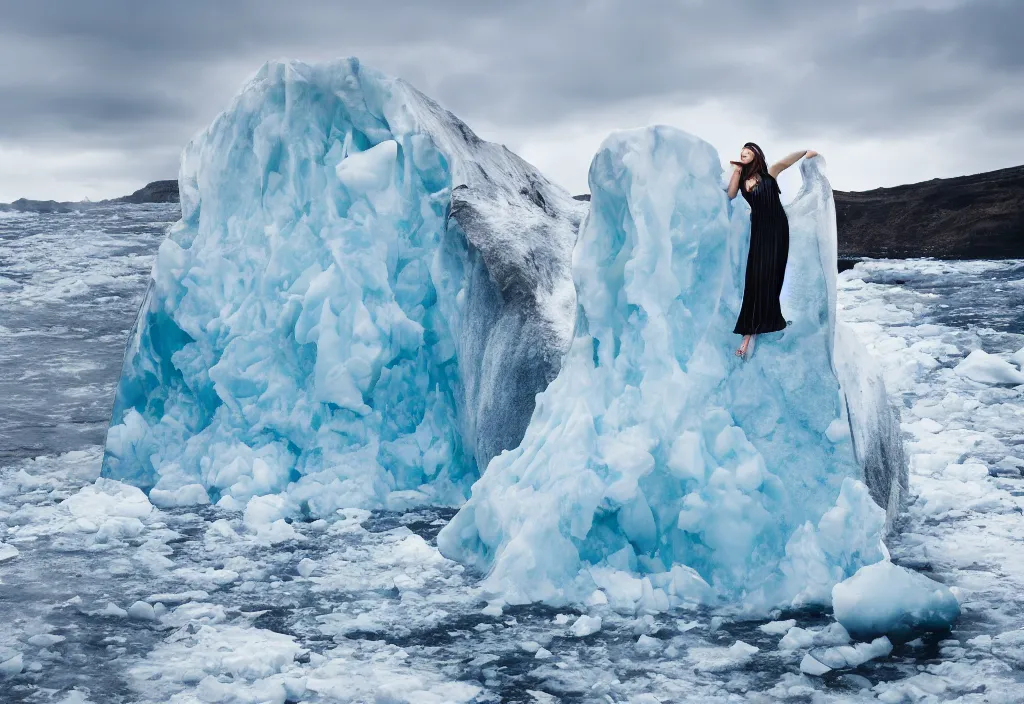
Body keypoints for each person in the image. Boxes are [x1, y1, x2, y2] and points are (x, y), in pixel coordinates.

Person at [726, 143, 817, 358]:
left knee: (772, 275)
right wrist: (736, 172)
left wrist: (805, 152)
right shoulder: (741, 180)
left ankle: (768, 320)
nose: (743, 154)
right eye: (741, 153)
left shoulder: (770, 174)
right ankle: (748, 330)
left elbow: (785, 162)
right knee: (755, 276)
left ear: (756, 154)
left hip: (777, 228)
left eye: (747, 152)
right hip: (759, 231)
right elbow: (730, 195)